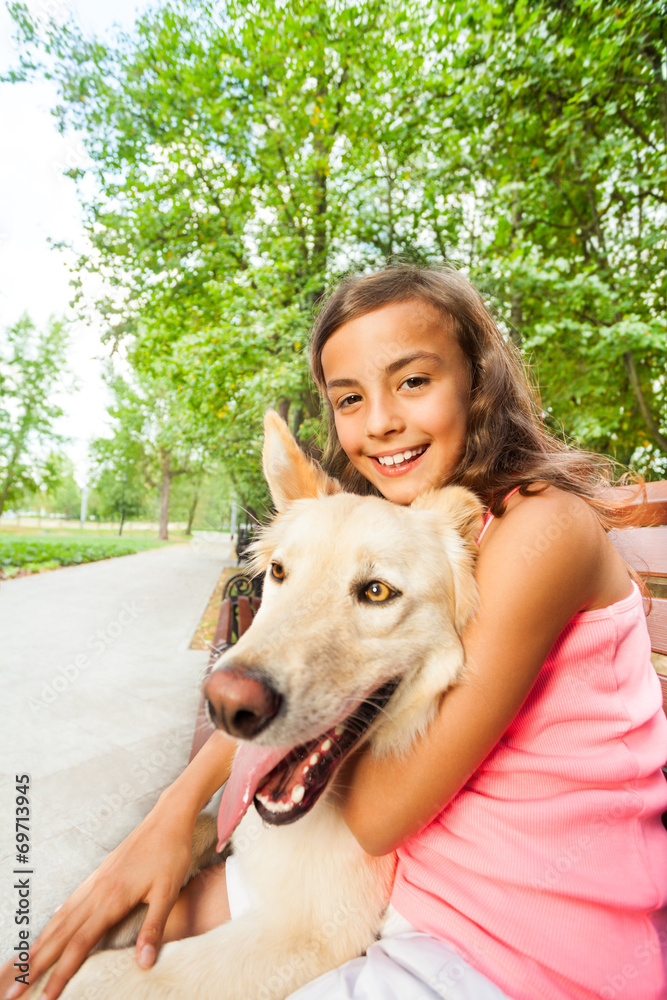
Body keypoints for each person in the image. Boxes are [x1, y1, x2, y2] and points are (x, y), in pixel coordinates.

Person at [3, 265, 666, 1000]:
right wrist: (170, 816)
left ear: (479, 383)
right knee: (96, 939)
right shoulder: (424, 528)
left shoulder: (539, 527)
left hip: (517, 953)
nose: (378, 420)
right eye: (349, 398)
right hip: (408, 893)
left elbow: (378, 813)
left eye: (412, 381)